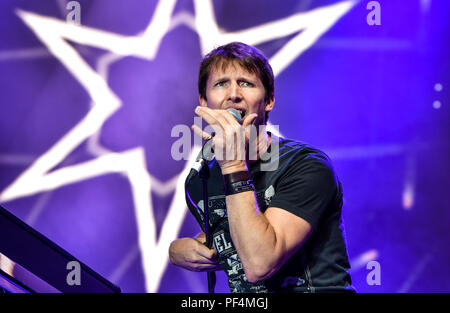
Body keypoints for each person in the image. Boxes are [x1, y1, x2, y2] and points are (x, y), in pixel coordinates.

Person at [169, 42, 354, 293]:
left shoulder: (306, 165)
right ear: (204, 102)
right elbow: (227, 232)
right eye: (221, 83)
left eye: (246, 83)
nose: (233, 94)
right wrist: (178, 249)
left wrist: (233, 163)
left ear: (268, 101)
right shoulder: (203, 177)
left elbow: (260, 262)